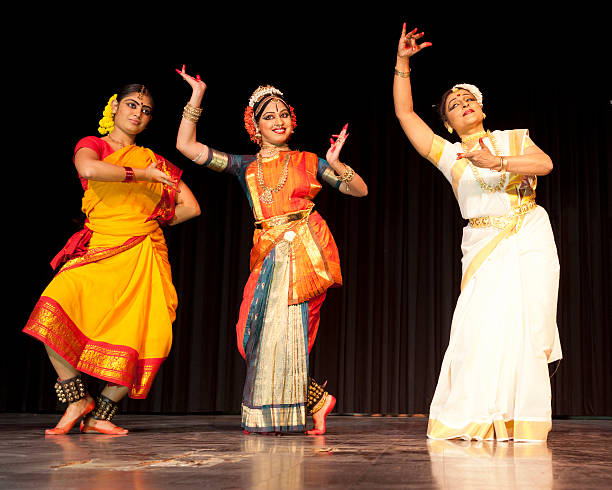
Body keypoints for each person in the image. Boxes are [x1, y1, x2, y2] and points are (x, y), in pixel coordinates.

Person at [175, 66, 367, 435]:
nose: (278, 120)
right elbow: (187, 147)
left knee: (294, 336)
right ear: (255, 126)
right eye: (268, 116)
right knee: (250, 335)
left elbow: (359, 191)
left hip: (307, 253)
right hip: (267, 253)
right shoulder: (243, 166)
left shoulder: (311, 162)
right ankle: (315, 399)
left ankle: (301, 406)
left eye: (283, 114)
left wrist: (338, 164)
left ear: (292, 121)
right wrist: (196, 97)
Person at [393, 25, 562, 442]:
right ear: (449, 123)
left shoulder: (510, 139)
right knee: (478, 329)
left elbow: (545, 166)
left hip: (528, 234)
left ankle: (519, 419)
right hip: (484, 248)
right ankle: (471, 413)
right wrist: (402, 62)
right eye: (454, 104)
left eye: (469, 99)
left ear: (482, 108)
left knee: (525, 326)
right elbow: (405, 115)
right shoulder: (449, 154)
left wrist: (498, 162)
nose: (463, 104)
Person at [23, 84, 200, 435]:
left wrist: (147, 220)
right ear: (115, 107)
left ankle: (102, 414)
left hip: (141, 252)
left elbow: (192, 207)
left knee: (144, 334)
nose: (138, 113)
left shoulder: (155, 161)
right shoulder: (95, 145)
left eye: (146, 110)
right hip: (99, 247)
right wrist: (142, 176)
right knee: (49, 311)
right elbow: (88, 170)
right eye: (132, 105)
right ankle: (78, 399)